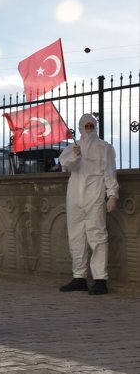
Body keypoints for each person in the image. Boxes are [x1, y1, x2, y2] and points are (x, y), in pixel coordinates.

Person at [58, 114, 119, 295]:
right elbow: (64, 163)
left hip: (94, 194)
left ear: (96, 127)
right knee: (75, 236)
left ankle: (100, 279)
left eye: (92, 125)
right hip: (75, 196)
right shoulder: (73, 147)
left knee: (97, 235)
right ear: (80, 127)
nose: (89, 129)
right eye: (86, 126)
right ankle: (79, 277)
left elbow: (109, 171)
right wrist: (75, 155)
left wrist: (112, 194)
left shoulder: (104, 147)